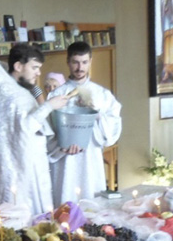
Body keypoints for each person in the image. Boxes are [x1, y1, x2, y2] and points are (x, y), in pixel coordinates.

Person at [0, 44, 69, 215]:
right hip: (17, 172)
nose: (38, 73)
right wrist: (49, 106)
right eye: (34, 67)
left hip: (26, 165)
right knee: (20, 217)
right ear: (18, 66)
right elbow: (24, 128)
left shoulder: (17, 90)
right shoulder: (10, 95)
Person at [48, 41, 122, 206]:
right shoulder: (57, 95)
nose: (80, 68)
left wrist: (97, 114)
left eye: (84, 62)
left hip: (90, 158)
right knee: (65, 205)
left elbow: (112, 126)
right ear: (68, 62)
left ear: (90, 62)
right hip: (64, 161)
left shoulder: (102, 94)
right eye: (75, 62)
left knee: (91, 204)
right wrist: (61, 146)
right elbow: (48, 131)